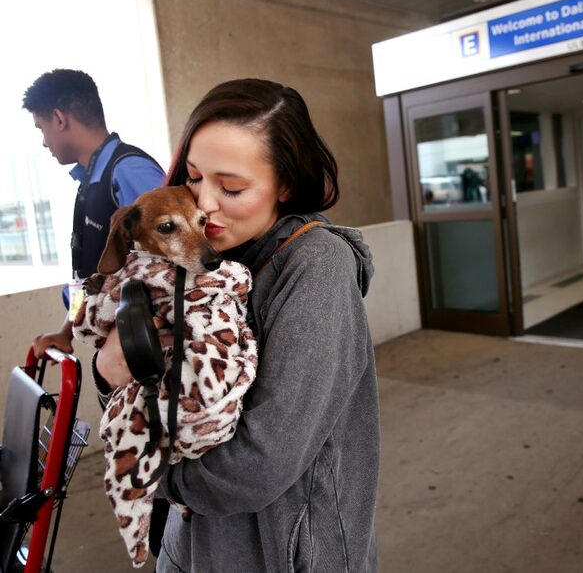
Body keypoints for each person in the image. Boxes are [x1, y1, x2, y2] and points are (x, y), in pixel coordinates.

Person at [94, 79, 379, 572]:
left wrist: (148, 468)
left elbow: (258, 466)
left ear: (285, 184)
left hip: (285, 557)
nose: (202, 205)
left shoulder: (317, 268)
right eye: (193, 176)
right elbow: (142, 392)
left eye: (230, 187)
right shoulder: (198, 263)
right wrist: (107, 373)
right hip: (193, 550)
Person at [22, 69, 165, 357]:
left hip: (145, 352)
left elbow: (174, 264)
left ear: (59, 119)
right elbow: (86, 278)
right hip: (117, 347)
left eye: (41, 128)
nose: (43, 141)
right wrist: (65, 332)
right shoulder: (91, 180)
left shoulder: (129, 171)